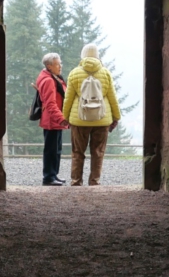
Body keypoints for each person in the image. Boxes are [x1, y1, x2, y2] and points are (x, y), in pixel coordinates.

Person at [61, 43, 121, 187]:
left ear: (83, 55)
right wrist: (116, 117)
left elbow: (68, 98)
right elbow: (112, 97)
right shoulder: (105, 73)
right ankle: (94, 181)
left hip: (79, 120)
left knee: (77, 152)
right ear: (97, 56)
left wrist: (65, 117)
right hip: (102, 119)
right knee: (98, 152)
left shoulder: (74, 73)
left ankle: (76, 182)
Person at [35, 53, 68, 186]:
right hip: (52, 121)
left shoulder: (52, 77)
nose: (60, 66)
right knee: (51, 150)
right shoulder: (49, 80)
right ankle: (48, 177)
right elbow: (50, 103)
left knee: (56, 149)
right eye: (57, 64)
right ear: (49, 66)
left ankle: (53, 174)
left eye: (60, 63)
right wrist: (61, 119)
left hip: (55, 120)